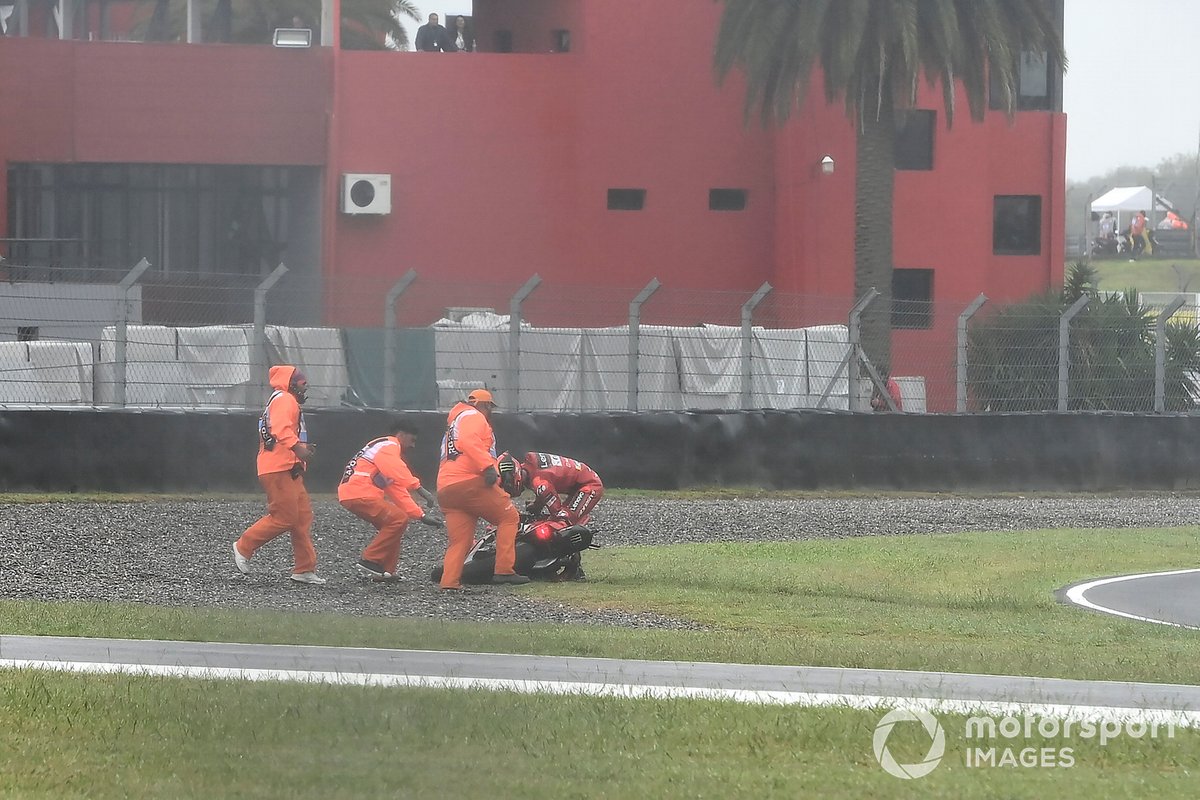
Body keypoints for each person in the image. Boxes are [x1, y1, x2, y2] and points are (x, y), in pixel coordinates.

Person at [233, 365, 325, 584]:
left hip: (286, 467)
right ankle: (244, 545)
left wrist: (298, 457)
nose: (305, 388)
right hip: (278, 468)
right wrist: (299, 449)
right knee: (285, 517)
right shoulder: (285, 399)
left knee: (301, 517)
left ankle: (304, 568)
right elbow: (281, 430)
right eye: (303, 384)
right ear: (292, 383)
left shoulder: (279, 399)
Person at [436, 389, 528, 590]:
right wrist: (487, 467)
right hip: (470, 482)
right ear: (485, 405)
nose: (490, 412)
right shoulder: (473, 416)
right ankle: (504, 571)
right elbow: (468, 442)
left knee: (460, 541)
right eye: (490, 407)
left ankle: (449, 582)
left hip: (446, 489)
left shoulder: (453, 425)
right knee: (509, 518)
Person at [338, 418, 445, 582]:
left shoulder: (379, 450)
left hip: (351, 494)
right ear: (401, 434)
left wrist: (421, 516)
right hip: (360, 493)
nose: (413, 445)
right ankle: (370, 559)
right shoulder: (389, 445)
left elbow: (395, 488)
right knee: (398, 519)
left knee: (393, 526)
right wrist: (419, 488)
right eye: (412, 440)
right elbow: (395, 468)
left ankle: (386, 571)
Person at [499, 451, 604, 527]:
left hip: (590, 485)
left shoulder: (539, 483)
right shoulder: (531, 469)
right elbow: (544, 493)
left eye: (506, 483)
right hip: (577, 485)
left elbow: (556, 510)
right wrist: (536, 506)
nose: (506, 488)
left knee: (562, 520)